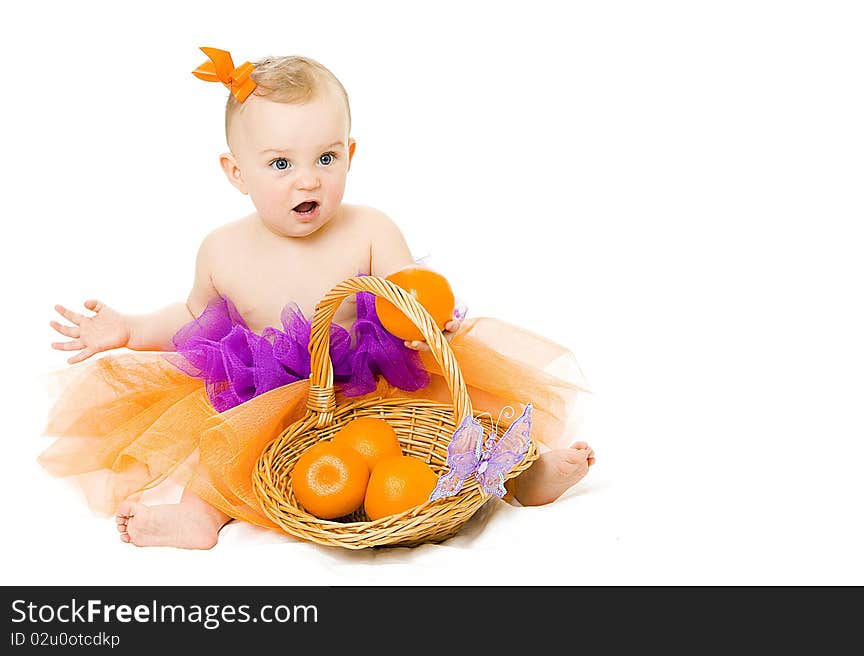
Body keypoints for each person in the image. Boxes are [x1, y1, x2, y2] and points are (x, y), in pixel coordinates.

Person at [43, 47, 595, 549]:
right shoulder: (222, 249)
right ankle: (200, 515)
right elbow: (193, 319)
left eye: (325, 159)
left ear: (350, 153)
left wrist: (428, 315)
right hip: (273, 401)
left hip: (380, 384)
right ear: (236, 172)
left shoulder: (371, 228)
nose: (307, 182)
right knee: (226, 446)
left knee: (462, 412)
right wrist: (130, 331)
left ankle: (525, 473)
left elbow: (408, 289)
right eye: (281, 164)